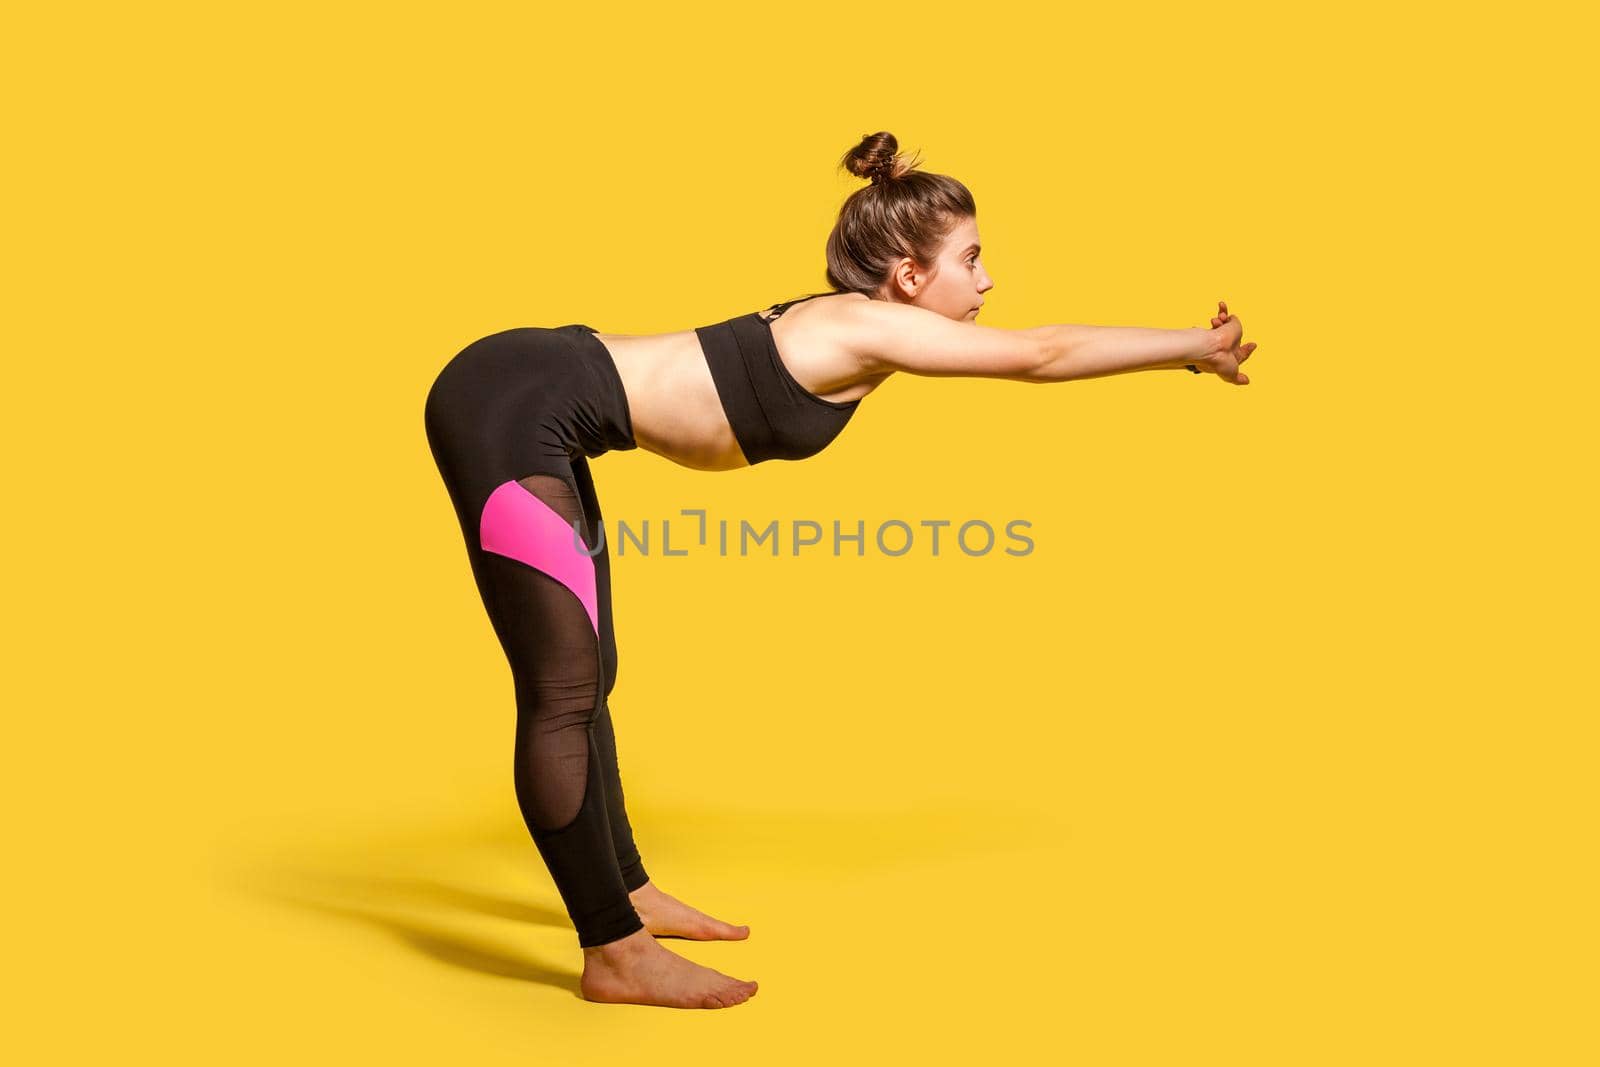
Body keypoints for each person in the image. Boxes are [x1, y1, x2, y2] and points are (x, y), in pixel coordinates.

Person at [422, 131, 1259, 1010]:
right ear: (907, 276)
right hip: (509, 404)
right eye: (970, 259)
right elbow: (1038, 354)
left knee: (595, 675)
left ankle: (624, 888)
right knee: (561, 688)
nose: (986, 281)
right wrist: (1187, 347)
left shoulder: (860, 325)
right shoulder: (868, 323)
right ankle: (613, 950)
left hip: (541, 398)